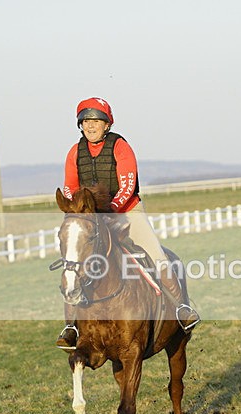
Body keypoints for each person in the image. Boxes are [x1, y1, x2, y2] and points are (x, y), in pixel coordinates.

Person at [56, 97, 199, 350]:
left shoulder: (120, 147)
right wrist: (77, 209)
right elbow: (70, 187)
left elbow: (127, 185)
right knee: (73, 263)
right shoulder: (74, 152)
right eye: (86, 121)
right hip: (92, 217)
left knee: (155, 253)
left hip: (126, 210)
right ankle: (71, 326)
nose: (90, 126)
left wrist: (110, 209)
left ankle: (181, 308)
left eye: (96, 121)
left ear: (107, 124)